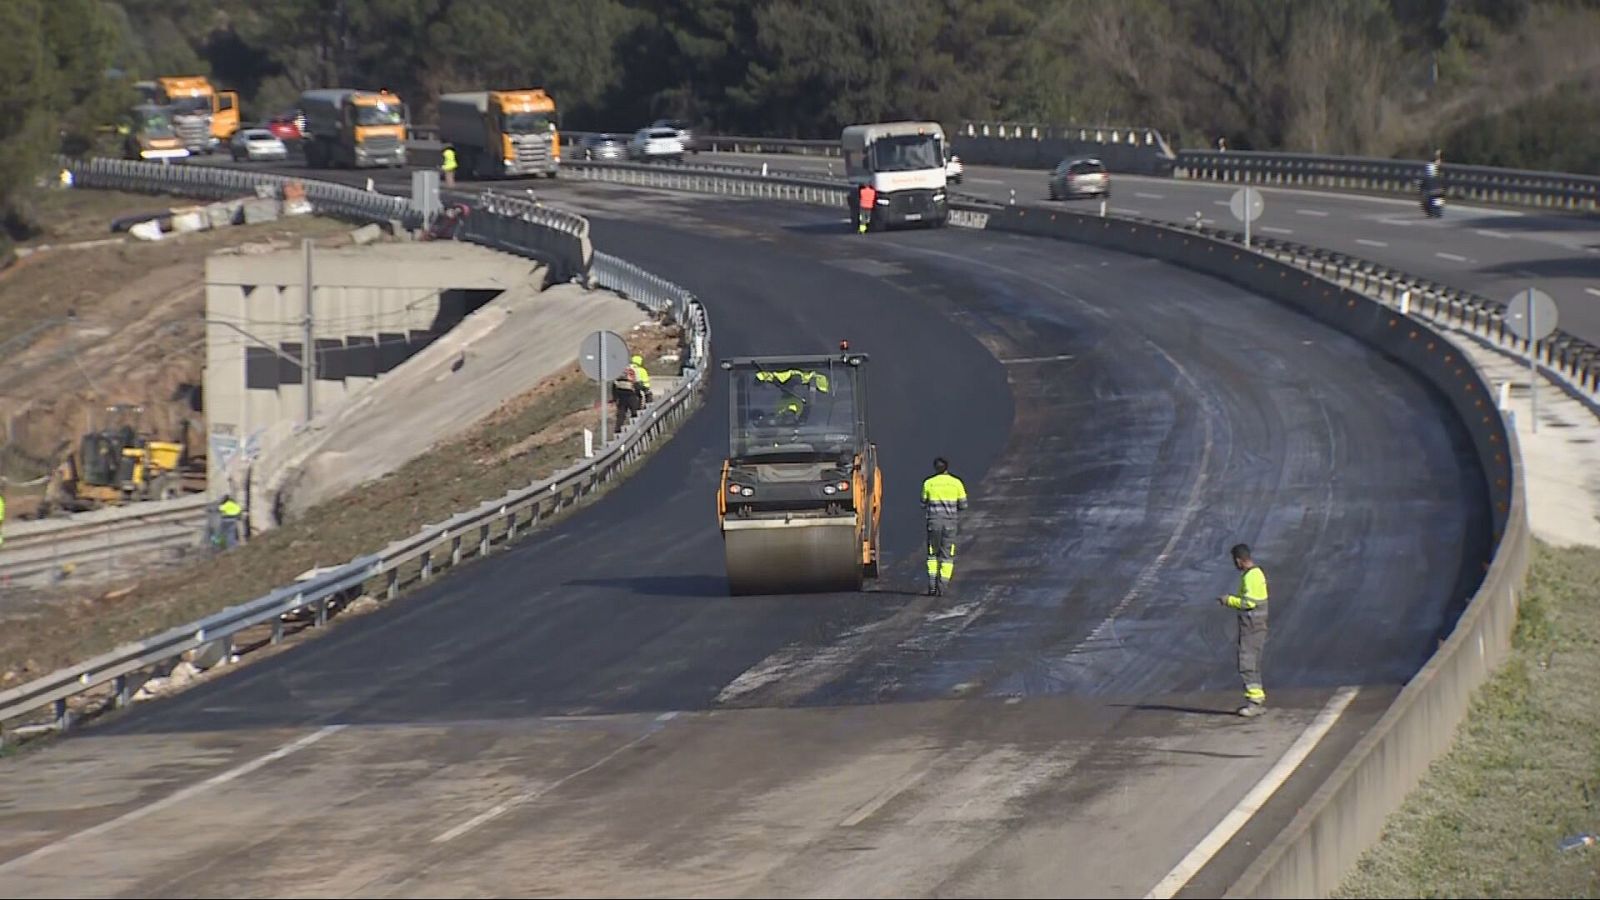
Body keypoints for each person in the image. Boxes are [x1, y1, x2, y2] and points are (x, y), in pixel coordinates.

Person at [1218, 543, 1270, 717]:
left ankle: (1255, 702)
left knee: (1247, 663)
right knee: (1252, 663)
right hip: (1255, 627)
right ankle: (1257, 699)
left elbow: (1249, 603)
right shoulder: (1254, 574)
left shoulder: (1251, 577)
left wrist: (1229, 600)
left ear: (1239, 560)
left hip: (1252, 627)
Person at [921, 457, 968, 596]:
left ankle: (932, 584)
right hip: (950, 523)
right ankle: (943, 585)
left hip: (933, 522)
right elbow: (964, 505)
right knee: (947, 555)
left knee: (932, 554)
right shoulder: (956, 483)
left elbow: (923, 503)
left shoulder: (929, 483)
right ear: (947, 468)